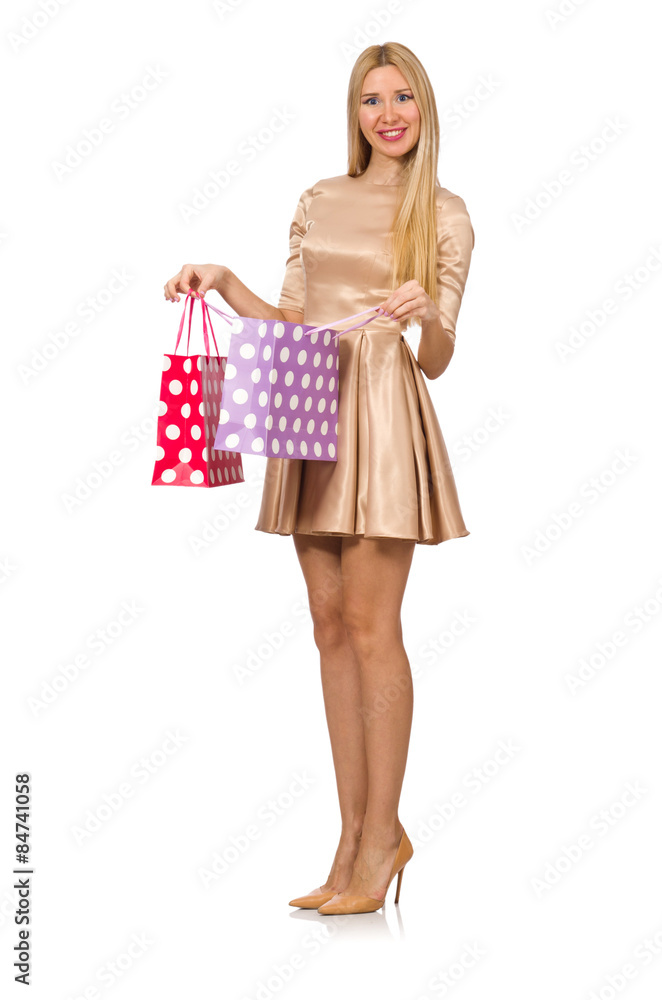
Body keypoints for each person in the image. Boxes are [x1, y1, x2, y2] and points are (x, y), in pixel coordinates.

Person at [163, 41, 474, 915]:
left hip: (382, 414)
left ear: (425, 108)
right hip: (309, 411)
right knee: (329, 626)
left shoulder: (443, 213)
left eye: (402, 97)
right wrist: (225, 283)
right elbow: (293, 321)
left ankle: (383, 837)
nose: (387, 115)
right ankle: (350, 839)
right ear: (355, 113)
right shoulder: (319, 199)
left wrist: (422, 312)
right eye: (371, 99)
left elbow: (442, 358)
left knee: (375, 625)